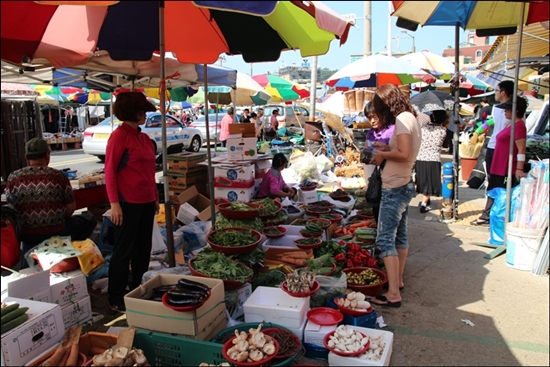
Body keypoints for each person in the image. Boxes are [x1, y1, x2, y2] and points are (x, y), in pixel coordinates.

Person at [104, 92, 159, 313]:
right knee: (123, 251)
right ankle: (115, 297)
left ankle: (137, 288)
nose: (145, 115)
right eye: (141, 111)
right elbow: (109, 171)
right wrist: (114, 203)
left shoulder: (143, 137)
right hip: (127, 204)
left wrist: (155, 197)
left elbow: (150, 171)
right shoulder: (119, 136)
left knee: (143, 249)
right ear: (131, 112)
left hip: (146, 203)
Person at [5, 138, 97, 268]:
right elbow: (71, 207)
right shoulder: (58, 176)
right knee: (89, 218)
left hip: (26, 233)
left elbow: (11, 207)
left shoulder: (14, 177)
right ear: (47, 156)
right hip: (57, 231)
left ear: (26, 157)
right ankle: (71, 249)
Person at [369, 84, 422, 308]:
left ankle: (392, 294)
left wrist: (381, 155)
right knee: (400, 236)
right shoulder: (411, 117)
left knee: (384, 239)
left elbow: (404, 153)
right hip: (403, 183)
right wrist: (386, 146)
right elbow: (403, 149)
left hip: (394, 186)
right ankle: (397, 281)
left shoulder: (401, 120)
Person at [471, 80, 514, 226]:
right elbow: (490, 123)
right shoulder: (496, 108)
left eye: (496, 90)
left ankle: (491, 214)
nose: (495, 93)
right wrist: (476, 131)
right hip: (492, 148)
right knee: (492, 181)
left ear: (503, 92)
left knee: (498, 182)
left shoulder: (514, 109)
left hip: (503, 150)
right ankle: (490, 213)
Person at [415, 110, 448, 213]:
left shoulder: (423, 128)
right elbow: (445, 145)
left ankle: (426, 200)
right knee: (429, 183)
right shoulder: (443, 131)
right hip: (434, 159)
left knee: (423, 181)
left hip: (420, 157)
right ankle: (424, 204)